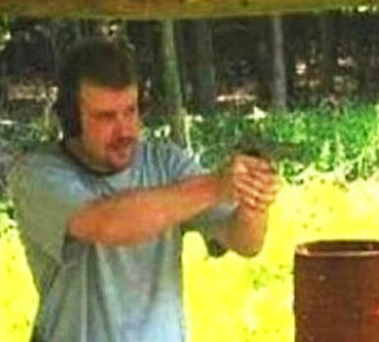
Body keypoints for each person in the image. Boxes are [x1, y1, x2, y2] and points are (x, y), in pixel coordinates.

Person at [8, 37, 279, 342]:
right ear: (72, 119)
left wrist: (254, 199)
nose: (124, 130)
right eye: (106, 117)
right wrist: (216, 185)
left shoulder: (166, 162)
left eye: (131, 111)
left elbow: (245, 242)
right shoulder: (38, 173)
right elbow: (108, 224)